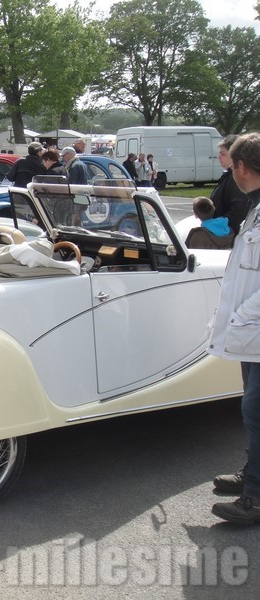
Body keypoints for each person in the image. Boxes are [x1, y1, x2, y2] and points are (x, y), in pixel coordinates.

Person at [209, 132, 260, 525]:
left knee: (255, 410)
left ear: (241, 167)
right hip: (250, 330)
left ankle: (255, 498)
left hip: (256, 324)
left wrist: (243, 315)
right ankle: (252, 478)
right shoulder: (255, 207)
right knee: (252, 409)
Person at [211, 134, 250, 237]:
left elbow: (239, 210)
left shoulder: (237, 179)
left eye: (223, 154)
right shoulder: (229, 176)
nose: (218, 157)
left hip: (229, 238)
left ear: (234, 155)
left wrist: (216, 227)